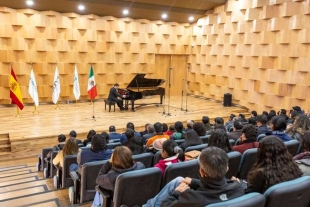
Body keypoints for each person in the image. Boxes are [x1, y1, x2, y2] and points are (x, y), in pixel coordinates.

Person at [143, 147, 244, 207]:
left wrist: (176, 193)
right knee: (179, 180)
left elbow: (164, 205)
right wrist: (194, 182)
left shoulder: (191, 198)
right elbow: (218, 186)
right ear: (227, 168)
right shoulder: (239, 187)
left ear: (201, 171)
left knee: (177, 182)